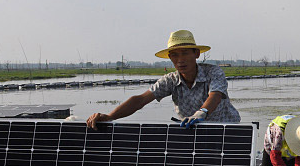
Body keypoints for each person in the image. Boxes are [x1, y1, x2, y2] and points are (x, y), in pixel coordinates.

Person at [86, 30, 241, 129]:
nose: (180, 59)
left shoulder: (213, 72)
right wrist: (110, 116)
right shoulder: (170, 80)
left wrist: (201, 113)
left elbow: (215, 95)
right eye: (175, 54)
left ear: (196, 54)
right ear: (170, 58)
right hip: (193, 131)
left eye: (185, 53)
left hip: (226, 129)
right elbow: (140, 100)